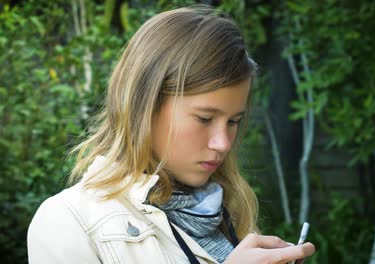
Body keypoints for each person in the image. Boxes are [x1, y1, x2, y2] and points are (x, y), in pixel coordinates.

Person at [27, 5, 315, 264]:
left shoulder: (225, 213)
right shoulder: (68, 221)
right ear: (144, 107)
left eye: (233, 121)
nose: (223, 143)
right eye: (204, 119)